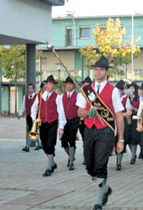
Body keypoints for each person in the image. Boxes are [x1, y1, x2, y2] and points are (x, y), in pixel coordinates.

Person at [76, 56, 124, 210]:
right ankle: (104, 188)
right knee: (89, 165)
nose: (97, 72)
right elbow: (79, 111)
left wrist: (121, 139)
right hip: (89, 129)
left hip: (105, 131)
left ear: (106, 72)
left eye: (101, 69)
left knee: (100, 164)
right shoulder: (86, 90)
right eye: (95, 69)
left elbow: (118, 115)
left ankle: (98, 201)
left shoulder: (114, 91)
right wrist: (87, 113)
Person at [31, 75, 65, 177]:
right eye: (49, 84)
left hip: (53, 122)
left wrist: (61, 127)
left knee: (51, 144)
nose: (51, 86)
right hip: (42, 123)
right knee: (45, 145)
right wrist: (34, 120)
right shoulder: (39, 96)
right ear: (45, 85)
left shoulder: (57, 97)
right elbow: (34, 108)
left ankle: (49, 167)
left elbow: (61, 112)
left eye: (52, 84)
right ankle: (52, 163)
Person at [60, 76, 80, 171]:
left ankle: (71, 162)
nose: (68, 85)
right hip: (65, 121)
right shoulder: (62, 96)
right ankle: (71, 156)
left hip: (74, 120)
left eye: (70, 84)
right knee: (63, 141)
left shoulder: (77, 95)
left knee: (72, 140)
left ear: (74, 85)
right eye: (67, 84)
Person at [18, 83, 42, 152]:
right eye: (29, 88)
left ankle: (27, 147)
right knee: (33, 130)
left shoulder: (37, 96)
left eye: (31, 88)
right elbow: (23, 106)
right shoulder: (25, 97)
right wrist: (20, 113)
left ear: (33, 89)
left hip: (35, 116)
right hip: (28, 116)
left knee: (31, 131)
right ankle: (39, 145)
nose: (30, 89)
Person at [115, 80, 132, 170]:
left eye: (120, 90)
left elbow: (129, 112)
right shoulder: (112, 99)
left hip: (121, 122)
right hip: (112, 122)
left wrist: (120, 115)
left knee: (120, 140)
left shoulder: (126, 99)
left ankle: (119, 162)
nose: (118, 92)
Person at [127, 81, 140, 164]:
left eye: (133, 88)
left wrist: (133, 108)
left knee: (134, 138)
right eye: (130, 88)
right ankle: (133, 153)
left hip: (135, 118)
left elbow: (141, 111)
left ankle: (133, 157)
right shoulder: (126, 97)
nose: (131, 89)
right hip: (128, 118)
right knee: (128, 138)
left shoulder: (139, 98)